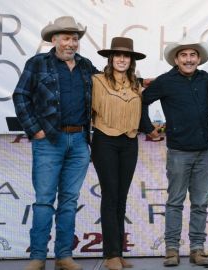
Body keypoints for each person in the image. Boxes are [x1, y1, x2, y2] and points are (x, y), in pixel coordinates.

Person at [13, 16, 100, 270]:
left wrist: (141, 83)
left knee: (70, 201)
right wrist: (35, 130)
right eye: (66, 38)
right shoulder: (38, 63)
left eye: (74, 39)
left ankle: (64, 256)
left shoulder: (86, 66)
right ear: (54, 40)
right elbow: (20, 96)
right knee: (44, 201)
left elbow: (109, 89)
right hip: (49, 140)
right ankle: (37, 257)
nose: (71, 43)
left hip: (80, 141)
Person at [140, 37, 208, 267]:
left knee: (201, 203)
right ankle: (171, 249)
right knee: (175, 202)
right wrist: (148, 128)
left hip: (204, 151)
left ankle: (197, 249)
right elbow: (141, 100)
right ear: (176, 59)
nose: (188, 59)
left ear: (199, 58)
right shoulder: (165, 81)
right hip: (178, 151)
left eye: (193, 55)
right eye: (184, 55)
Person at [90, 37, 145, 270]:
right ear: (110, 58)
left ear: (131, 60)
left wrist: (153, 130)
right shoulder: (96, 81)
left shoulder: (136, 85)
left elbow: (144, 114)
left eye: (127, 56)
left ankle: (118, 252)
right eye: (118, 55)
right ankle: (110, 254)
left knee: (121, 198)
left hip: (129, 142)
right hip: (105, 141)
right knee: (110, 196)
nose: (122, 59)